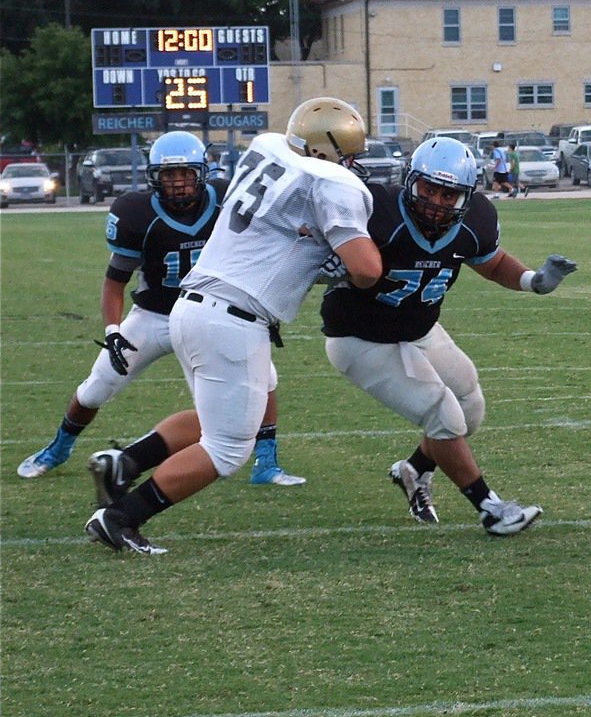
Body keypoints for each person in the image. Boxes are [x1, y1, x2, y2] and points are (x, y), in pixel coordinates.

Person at [83, 97, 383, 554]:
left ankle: (125, 463)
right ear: (326, 151)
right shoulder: (333, 181)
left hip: (193, 305)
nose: (353, 164)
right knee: (227, 450)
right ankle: (122, 516)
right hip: (233, 319)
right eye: (349, 154)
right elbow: (365, 270)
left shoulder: (266, 146)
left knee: (215, 420)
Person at [17, 131, 304, 489]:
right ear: (154, 177)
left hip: (215, 315)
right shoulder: (136, 213)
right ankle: (59, 447)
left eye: (185, 174)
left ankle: (266, 461)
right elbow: (115, 280)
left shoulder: (227, 197)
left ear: (202, 172)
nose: (178, 183)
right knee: (96, 387)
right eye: (169, 175)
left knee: (265, 380)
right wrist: (112, 331)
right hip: (156, 316)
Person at [321, 137, 577, 534]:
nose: (437, 202)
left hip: (418, 328)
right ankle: (491, 509)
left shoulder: (475, 220)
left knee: (469, 406)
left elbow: (491, 264)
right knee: (442, 413)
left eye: (448, 194)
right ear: (411, 182)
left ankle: (413, 469)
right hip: (360, 337)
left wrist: (532, 281)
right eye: (429, 189)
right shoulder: (377, 210)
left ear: (466, 196)